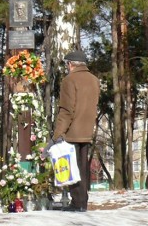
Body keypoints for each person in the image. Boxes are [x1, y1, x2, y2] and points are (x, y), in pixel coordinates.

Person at [52, 50, 100, 213]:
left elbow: (66, 110)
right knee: (83, 166)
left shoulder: (69, 80)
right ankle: (82, 201)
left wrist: (58, 133)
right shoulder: (94, 80)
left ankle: (77, 202)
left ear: (70, 64)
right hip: (87, 128)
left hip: (72, 130)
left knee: (72, 167)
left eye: (67, 64)